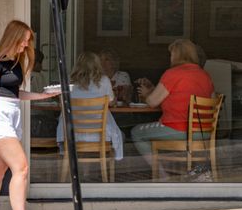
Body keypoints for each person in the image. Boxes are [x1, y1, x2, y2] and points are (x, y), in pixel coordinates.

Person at [0, 20, 57, 210]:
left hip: (10, 114)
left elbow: (13, 94)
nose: (26, 45)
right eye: (24, 40)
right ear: (14, 38)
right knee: (20, 167)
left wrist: (42, 95)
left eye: (28, 41)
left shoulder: (15, 63)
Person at [131, 39, 215, 178]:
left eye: (171, 54)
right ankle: (187, 172)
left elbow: (152, 102)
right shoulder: (205, 75)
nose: (170, 57)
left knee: (136, 133)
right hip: (203, 132)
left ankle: (163, 176)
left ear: (177, 55)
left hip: (177, 129)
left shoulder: (173, 73)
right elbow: (211, 98)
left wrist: (146, 95)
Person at [56, 51, 124, 161]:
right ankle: (107, 171)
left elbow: (61, 103)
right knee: (120, 134)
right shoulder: (104, 81)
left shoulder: (68, 80)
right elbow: (111, 101)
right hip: (100, 135)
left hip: (71, 134)